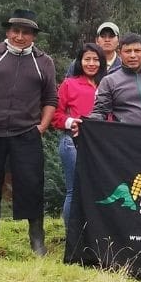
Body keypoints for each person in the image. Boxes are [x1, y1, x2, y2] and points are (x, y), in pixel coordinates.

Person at [0, 9, 57, 255]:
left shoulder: (43, 61)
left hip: (26, 132)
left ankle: (37, 238)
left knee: (31, 184)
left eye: (26, 32)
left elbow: (50, 99)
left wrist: (43, 125)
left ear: (33, 36)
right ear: (8, 32)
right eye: (15, 31)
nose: (19, 36)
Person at [52, 44, 103, 226]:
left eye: (96, 59)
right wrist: (71, 122)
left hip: (102, 146)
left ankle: (93, 235)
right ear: (80, 62)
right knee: (75, 190)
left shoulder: (108, 84)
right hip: (72, 142)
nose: (91, 63)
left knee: (99, 190)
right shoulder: (69, 84)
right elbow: (55, 115)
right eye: (87, 59)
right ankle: (72, 236)